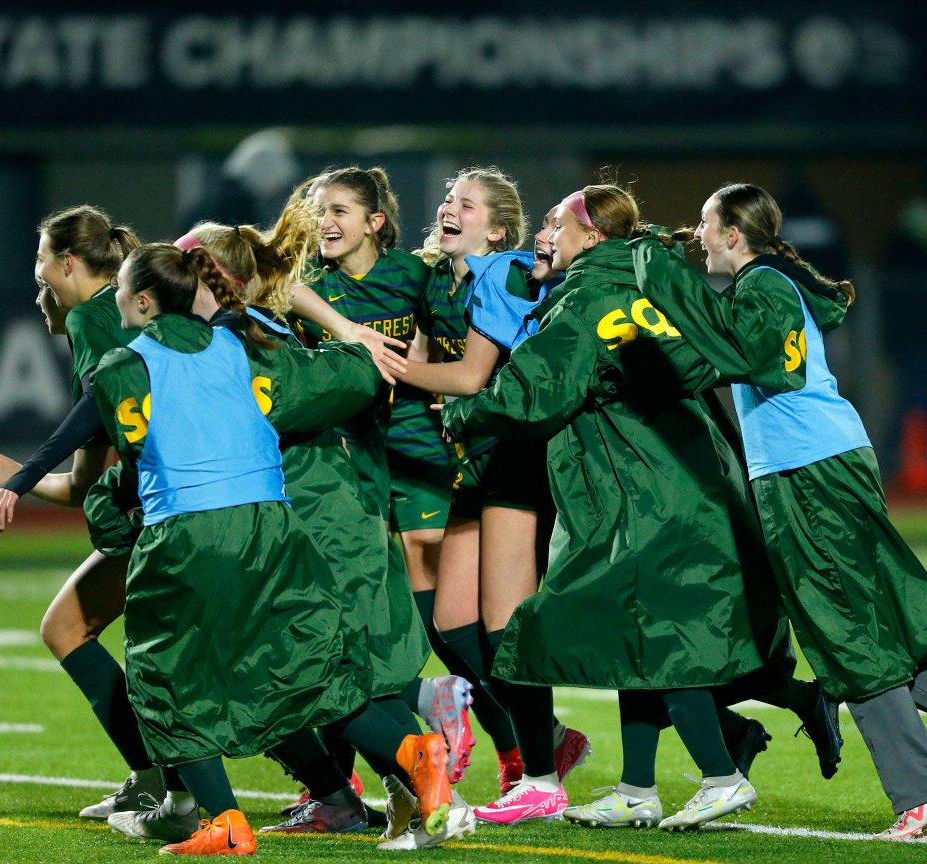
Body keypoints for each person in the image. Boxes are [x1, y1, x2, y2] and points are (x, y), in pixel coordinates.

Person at [441, 183, 801, 831]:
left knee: (594, 636)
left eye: (555, 223)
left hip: (643, 497)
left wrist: (464, 413)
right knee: (638, 637)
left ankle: (720, 776)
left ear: (592, 237)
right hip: (683, 485)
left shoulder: (583, 300)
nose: (543, 235)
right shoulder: (644, 284)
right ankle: (637, 788)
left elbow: (536, 395)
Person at [85, 241, 457, 855]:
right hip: (273, 528)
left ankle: (225, 821)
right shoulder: (246, 346)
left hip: (188, 531)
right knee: (306, 672)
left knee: (165, 678)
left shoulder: (122, 365)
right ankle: (414, 752)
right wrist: (357, 343)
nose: (114, 299)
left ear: (145, 302)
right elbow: (342, 379)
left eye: (121, 289)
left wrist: (110, 516)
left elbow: (140, 454)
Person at [633, 181, 927, 840]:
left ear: (732, 234)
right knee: (884, 617)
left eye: (707, 226)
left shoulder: (761, 287)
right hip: (815, 464)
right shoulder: (767, 284)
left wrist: (660, 278)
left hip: (808, 470)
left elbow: (740, 356)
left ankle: (919, 797)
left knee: (849, 631)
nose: (700, 237)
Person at [0, 205, 167, 820]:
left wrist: (20, 477)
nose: (37, 282)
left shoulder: (92, 318)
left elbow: (90, 478)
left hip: (160, 510)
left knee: (69, 631)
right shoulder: (124, 308)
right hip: (204, 497)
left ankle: (163, 784)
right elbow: (93, 475)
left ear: (69, 263)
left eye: (41, 264)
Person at [400, 203, 592, 822]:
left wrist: (391, 366)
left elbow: (475, 375)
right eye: (448, 198)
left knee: (505, 627)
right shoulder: (440, 279)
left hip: (515, 452)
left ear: (498, 229)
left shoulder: (505, 271)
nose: (449, 207)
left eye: (468, 203)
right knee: (453, 627)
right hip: (476, 459)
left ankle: (540, 768)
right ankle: (548, 741)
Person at [292, 167, 477, 784]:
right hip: (349, 463)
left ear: (375, 222)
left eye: (340, 210)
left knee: (422, 613)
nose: (326, 222)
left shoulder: (411, 274)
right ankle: (357, 774)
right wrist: (348, 332)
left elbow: (457, 329)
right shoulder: (309, 282)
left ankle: (521, 750)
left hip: (416, 448)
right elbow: (267, 283)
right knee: (353, 615)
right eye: (319, 210)